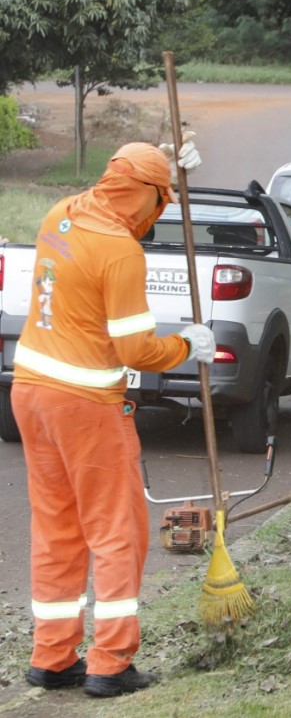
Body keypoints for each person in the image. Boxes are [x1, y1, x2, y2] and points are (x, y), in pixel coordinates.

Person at [14, 141, 212, 698]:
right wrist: (184, 344)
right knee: (117, 529)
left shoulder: (63, 213)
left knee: (58, 526)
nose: (159, 216)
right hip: (83, 404)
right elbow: (134, 351)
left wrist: (161, 162)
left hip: (30, 392)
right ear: (144, 198)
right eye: (160, 203)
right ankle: (110, 664)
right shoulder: (122, 253)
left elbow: (130, 178)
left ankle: (52, 658)